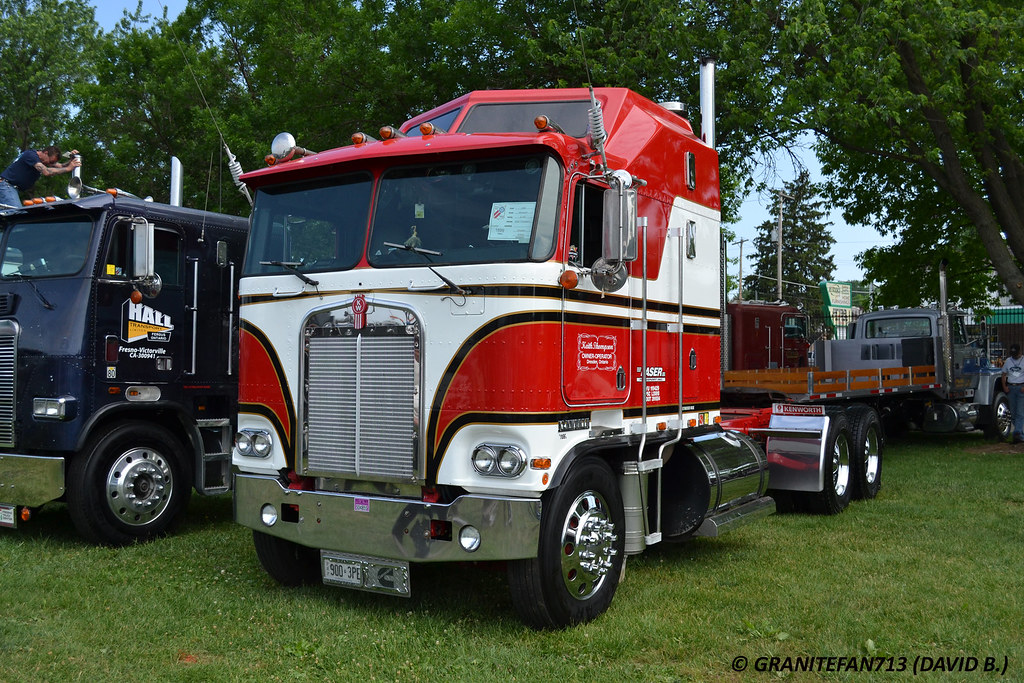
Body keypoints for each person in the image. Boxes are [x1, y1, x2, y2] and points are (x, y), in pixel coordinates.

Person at [0, 146, 81, 207]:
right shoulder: (31, 155)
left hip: (10, 187)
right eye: (51, 162)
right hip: (6, 186)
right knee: (16, 215)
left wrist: (71, 160)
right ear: (45, 153)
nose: (50, 164)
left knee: (5, 216)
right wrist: (68, 168)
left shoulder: (41, 160)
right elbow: (47, 171)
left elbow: (61, 166)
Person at [1001, 343, 1024, 443]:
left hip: (1021, 388)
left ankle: (1017, 433)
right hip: (1011, 388)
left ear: (1019, 352)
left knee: (1020, 412)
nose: (1014, 356)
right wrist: (1005, 386)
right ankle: (1020, 435)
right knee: (1013, 413)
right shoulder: (1008, 361)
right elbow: (1003, 374)